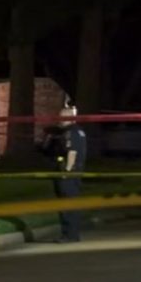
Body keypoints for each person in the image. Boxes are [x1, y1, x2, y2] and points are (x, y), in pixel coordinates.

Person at [53, 104, 86, 243]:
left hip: (69, 173)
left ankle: (68, 234)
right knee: (72, 203)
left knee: (66, 204)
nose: (59, 120)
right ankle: (73, 234)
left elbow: (72, 152)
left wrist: (66, 171)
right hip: (76, 172)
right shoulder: (79, 131)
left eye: (62, 117)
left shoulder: (70, 133)